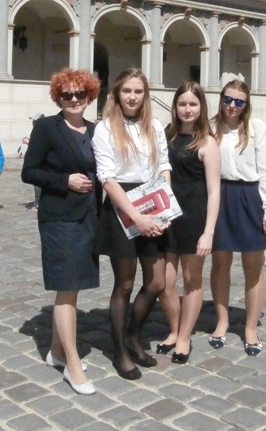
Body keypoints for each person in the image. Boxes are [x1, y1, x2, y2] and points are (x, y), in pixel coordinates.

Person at [21, 68, 103, 395]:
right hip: (59, 219)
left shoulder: (96, 131)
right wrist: (64, 180)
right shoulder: (46, 128)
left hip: (89, 218)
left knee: (73, 288)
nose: (73, 99)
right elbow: (29, 172)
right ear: (58, 97)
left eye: (79, 94)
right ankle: (72, 364)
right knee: (67, 285)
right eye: (66, 94)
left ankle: (56, 351)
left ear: (89, 96)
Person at [92, 68, 171, 380]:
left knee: (156, 282)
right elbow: (107, 179)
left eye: (138, 91)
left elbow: (163, 165)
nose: (133, 97)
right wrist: (135, 216)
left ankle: (134, 336)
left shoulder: (153, 125)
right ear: (117, 94)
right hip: (120, 204)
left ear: (145, 95)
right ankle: (120, 351)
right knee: (124, 284)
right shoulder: (105, 128)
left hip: (153, 200)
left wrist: (164, 209)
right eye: (127, 91)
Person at [209, 79, 266, 356]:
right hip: (221, 195)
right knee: (220, 262)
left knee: (253, 266)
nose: (232, 105)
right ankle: (222, 321)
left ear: (246, 104)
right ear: (221, 98)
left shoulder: (256, 128)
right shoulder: (211, 127)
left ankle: (250, 327)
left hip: (250, 197)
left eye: (239, 101)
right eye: (228, 99)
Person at [157, 82, 221, 364]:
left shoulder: (207, 141)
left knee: (191, 280)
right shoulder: (165, 136)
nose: (187, 109)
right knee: (163, 282)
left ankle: (184, 337)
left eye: (193, 104)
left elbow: (214, 190)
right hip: (168, 217)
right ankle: (174, 328)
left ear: (201, 107)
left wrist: (208, 232)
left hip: (195, 218)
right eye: (182, 103)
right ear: (175, 106)